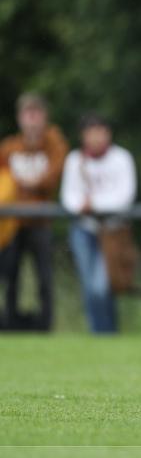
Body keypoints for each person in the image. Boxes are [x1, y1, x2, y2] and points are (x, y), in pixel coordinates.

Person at [60, 115, 136, 334]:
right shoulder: (75, 160)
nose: (95, 137)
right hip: (84, 229)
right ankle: (98, 334)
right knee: (89, 287)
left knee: (102, 285)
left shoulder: (121, 158)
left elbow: (124, 196)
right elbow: (69, 197)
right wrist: (81, 207)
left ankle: (108, 332)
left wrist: (94, 204)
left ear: (108, 133)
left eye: (99, 131)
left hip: (112, 229)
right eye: (90, 132)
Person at [0, 93, 69, 330]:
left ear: (44, 116)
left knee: (44, 277)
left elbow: (53, 176)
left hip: (41, 222)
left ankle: (45, 323)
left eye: (36, 114)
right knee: (11, 276)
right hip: (13, 223)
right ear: (20, 118)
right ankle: (10, 323)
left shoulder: (53, 142)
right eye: (27, 114)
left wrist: (29, 184)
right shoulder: (10, 147)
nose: (32, 120)